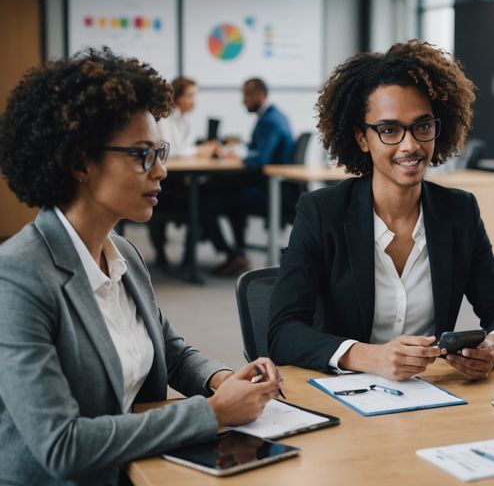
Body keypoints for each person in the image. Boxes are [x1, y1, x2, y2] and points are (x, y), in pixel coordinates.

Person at [0, 48, 283, 485]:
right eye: (142, 154)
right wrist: (211, 413)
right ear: (79, 162)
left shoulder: (123, 255)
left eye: (161, 152)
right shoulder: (17, 277)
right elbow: (62, 445)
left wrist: (220, 379)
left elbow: (168, 349)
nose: (163, 170)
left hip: (139, 469)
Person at [268, 40, 494, 381]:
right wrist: (369, 356)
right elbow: (282, 332)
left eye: (422, 126)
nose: (410, 145)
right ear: (362, 138)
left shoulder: (458, 212)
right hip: (344, 398)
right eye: (389, 130)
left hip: (431, 397)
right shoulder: (321, 212)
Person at [199, 77, 295, 275]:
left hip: (271, 190)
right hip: (267, 186)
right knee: (224, 192)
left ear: (260, 94)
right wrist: (239, 153)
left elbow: (261, 160)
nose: (244, 101)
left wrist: (238, 156)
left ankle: (233, 255)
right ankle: (237, 254)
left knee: (207, 199)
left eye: (247, 96)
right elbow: (257, 150)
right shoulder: (271, 116)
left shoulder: (270, 121)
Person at [147, 76, 218, 267]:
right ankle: (172, 255)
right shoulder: (165, 118)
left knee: (203, 197)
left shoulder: (184, 119)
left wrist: (199, 148)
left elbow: (185, 146)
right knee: (200, 201)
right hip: (166, 182)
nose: (194, 101)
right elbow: (169, 151)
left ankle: (189, 259)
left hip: (179, 180)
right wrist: (198, 151)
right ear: (177, 97)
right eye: (190, 95)